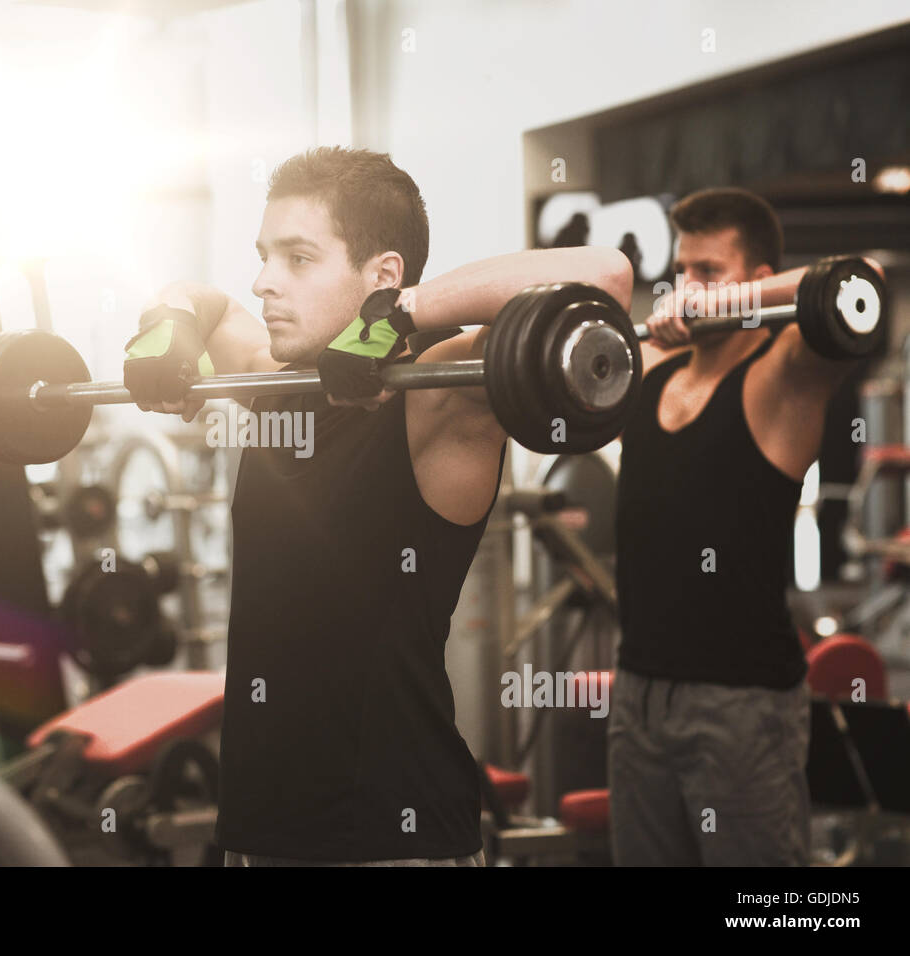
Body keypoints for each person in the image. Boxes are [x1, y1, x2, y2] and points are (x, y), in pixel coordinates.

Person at [123, 146, 633, 865]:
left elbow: (604, 276)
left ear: (382, 276)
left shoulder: (438, 395)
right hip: (257, 834)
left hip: (389, 836)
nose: (265, 282)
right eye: (264, 256)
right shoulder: (275, 382)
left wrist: (404, 314)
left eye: (298, 259)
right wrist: (167, 320)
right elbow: (202, 302)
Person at [610, 186, 876, 865]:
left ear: (758, 282)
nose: (689, 289)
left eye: (710, 273)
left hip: (742, 708)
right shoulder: (656, 367)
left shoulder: (781, 376)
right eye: (683, 271)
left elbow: (858, 281)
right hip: (638, 696)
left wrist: (723, 309)